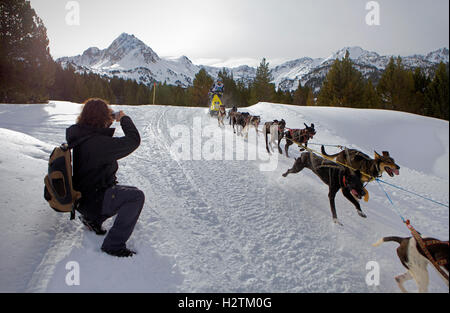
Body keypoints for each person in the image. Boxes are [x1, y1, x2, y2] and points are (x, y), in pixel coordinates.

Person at [66, 98, 144, 258]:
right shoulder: (99, 144)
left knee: (131, 191)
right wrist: (123, 119)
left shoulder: (82, 135)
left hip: (84, 199)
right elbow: (134, 140)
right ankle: (113, 245)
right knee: (136, 197)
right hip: (95, 200)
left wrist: (108, 118)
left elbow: (98, 131)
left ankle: (92, 219)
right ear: (102, 117)